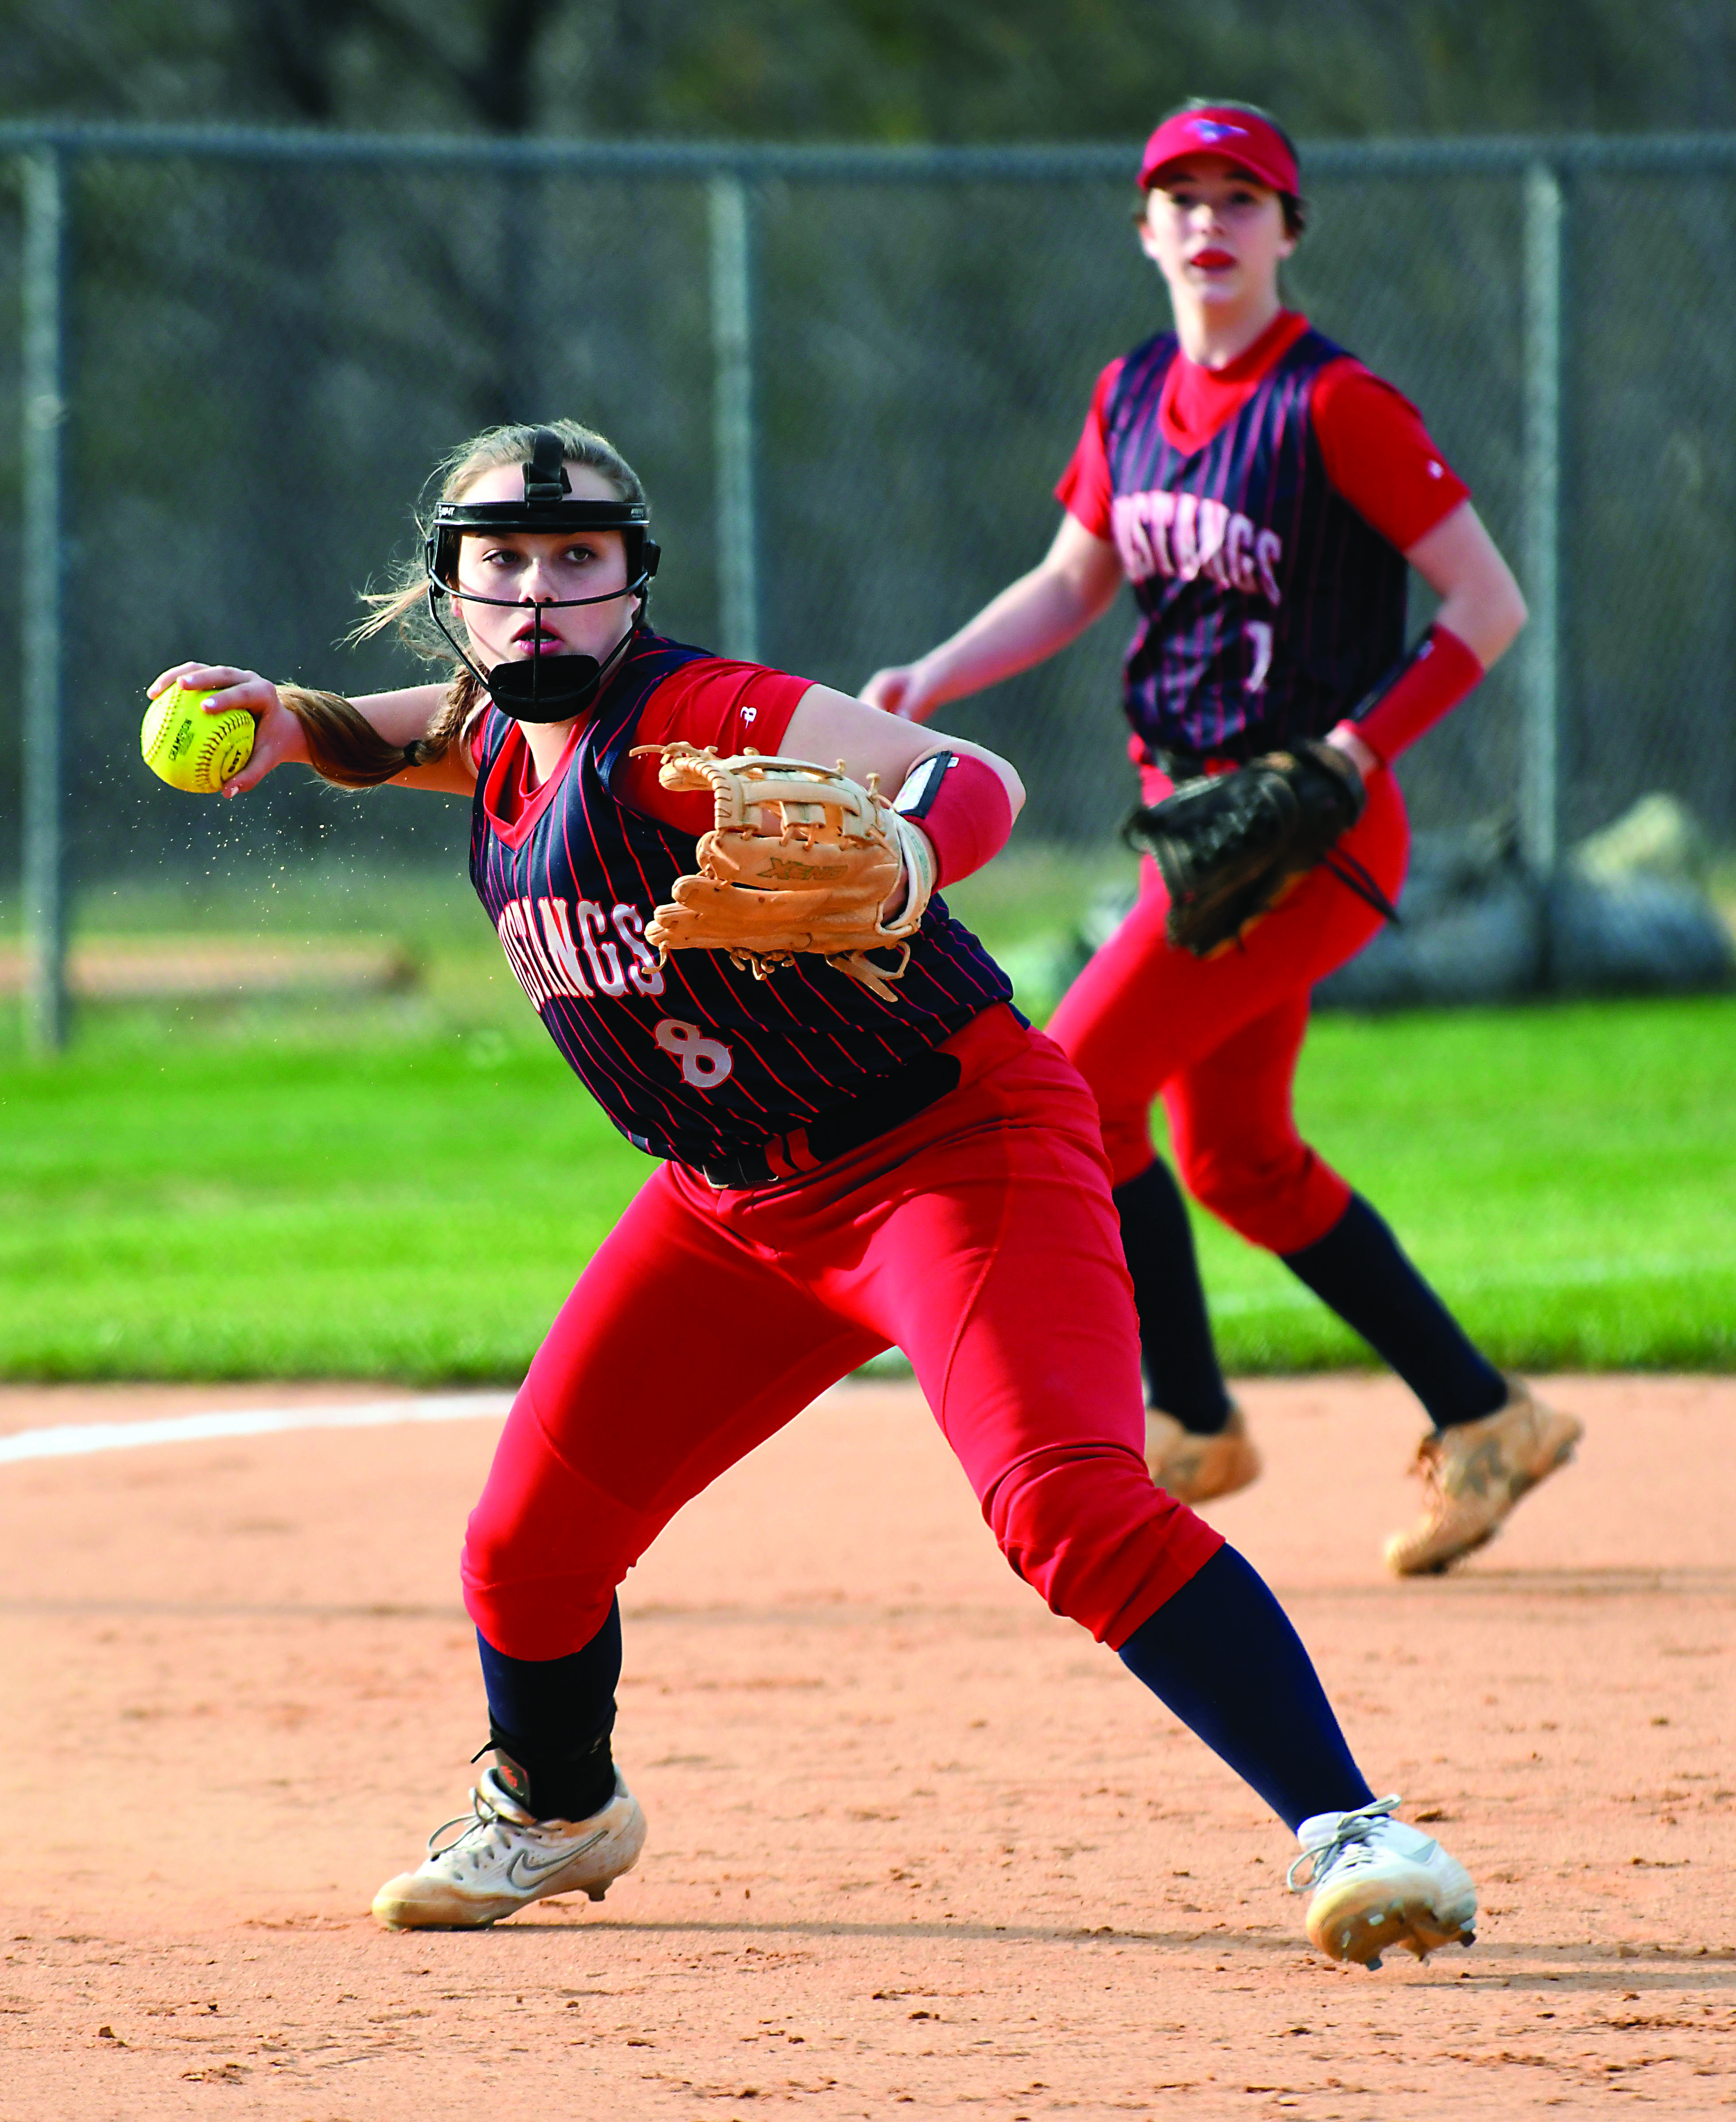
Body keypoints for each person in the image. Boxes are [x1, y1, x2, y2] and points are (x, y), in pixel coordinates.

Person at [153, 418, 1479, 1966]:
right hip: (731, 1205)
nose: (539, 594)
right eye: (500, 562)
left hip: (948, 1154)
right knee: (526, 1552)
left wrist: (906, 854)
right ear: (451, 590)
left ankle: (1356, 1830)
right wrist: (283, 720)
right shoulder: (497, 730)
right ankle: (557, 1808)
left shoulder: (688, 718)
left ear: (635, 580)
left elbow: (964, 774)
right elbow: (393, 733)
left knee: (1063, 1504)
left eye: (578, 558)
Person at [861, 101, 1582, 1577]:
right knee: (1240, 1160)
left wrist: (1356, 747)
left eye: (1240, 197)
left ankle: (1190, 1414)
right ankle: (1485, 1416)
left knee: (1068, 1085)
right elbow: (1075, 580)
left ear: (1287, 230)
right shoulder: (1130, 391)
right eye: (1180, 197)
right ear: (1144, 230)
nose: (1209, 221)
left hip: (1306, 829)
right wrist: (932, 677)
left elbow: (1487, 605)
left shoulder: (1334, 405)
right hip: (1191, 828)